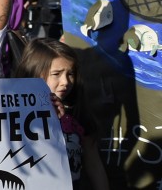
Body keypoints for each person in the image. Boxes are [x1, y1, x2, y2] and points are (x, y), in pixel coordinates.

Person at [11, 39, 108, 189]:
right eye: (56, 74)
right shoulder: (11, 115)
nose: (65, 82)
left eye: (70, 74)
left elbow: (94, 164)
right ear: (33, 72)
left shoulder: (78, 113)